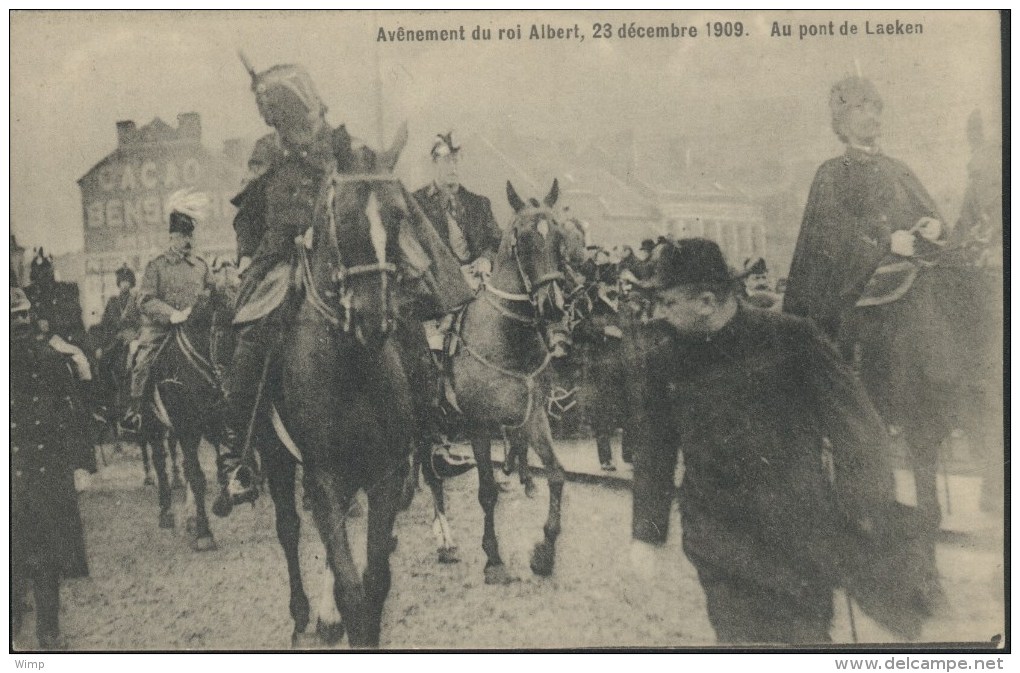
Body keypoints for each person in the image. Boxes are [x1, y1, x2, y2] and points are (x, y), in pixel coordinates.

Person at [629, 238, 933, 644]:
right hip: (718, 540)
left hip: (796, 537)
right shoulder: (663, 361)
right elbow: (654, 447)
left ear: (706, 301)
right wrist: (646, 534)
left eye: (667, 303)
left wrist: (863, 507)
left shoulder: (792, 339)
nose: (659, 314)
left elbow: (857, 427)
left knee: (804, 642)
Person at [216, 62, 473, 510]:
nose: (283, 122)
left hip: (342, 253)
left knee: (404, 316)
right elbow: (249, 213)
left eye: (287, 111)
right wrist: (248, 253)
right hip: (280, 257)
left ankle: (432, 436)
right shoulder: (265, 151)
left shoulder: (340, 144)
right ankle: (238, 456)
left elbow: (370, 186)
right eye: (275, 115)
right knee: (253, 332)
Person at [11, 287, 93, 650]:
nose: (19, 324)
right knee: (32, 550)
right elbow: (72, 414)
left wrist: (78, 463)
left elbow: (71, 412)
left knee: (35, 550)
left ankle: (40, 626)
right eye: (14, 318)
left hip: (34, 469)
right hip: (31, 471)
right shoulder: (48, 356)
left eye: (21, 317)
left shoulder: (51, 358)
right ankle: (34, 627)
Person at [123, 190, 215, 430]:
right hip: (162, 329)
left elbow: (212, 291)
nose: (188, 241)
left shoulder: (201, 265)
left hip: (197, 328)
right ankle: (135, 412)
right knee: (143, 360)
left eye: (191, 236)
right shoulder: (156, 265)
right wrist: (172, 315)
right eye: (183, 236)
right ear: (172, 237)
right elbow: (145, 299)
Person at [412, 132, 503, 291]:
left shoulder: (479, 204)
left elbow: (496, 242)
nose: (453, 167)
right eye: (447, 161)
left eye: (456, 160)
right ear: (434, 163)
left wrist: (486, 260)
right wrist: (452, 274)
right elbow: (414, 254)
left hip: (481, 287)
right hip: (439, 291)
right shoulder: (416, 204)